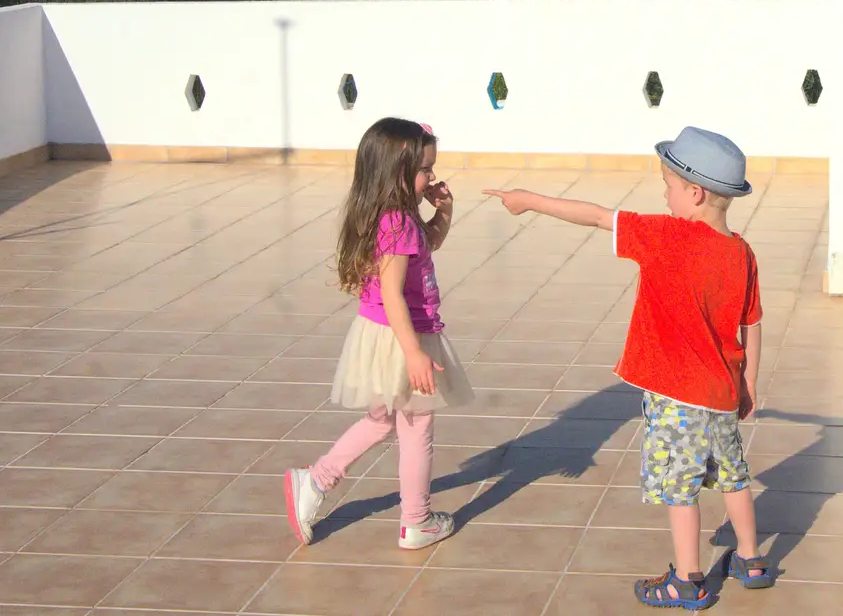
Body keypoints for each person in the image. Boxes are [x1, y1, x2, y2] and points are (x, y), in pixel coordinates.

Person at [485, 126, 771, 610]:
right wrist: (748, 383)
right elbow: (753, 323)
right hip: (722, 393)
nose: (665, 194)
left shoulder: (663, 237)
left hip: (676, 399)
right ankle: (751, 559)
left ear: (695, 193)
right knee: (733, 475)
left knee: (680, 490)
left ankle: (687, 579)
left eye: (670, 186)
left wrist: (529, 199)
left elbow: (596, 216)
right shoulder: (742, 252)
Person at [284, 117, 474, 549]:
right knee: (417, 424)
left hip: (386, 334)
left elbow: (431, 242)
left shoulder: (395, 216)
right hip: (402, 335)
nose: (432, 177)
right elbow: (393, 294)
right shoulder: (398, 223)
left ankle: (315, 481)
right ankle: (416, 520)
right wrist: (414, 352)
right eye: (425, 170)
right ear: (398, 173)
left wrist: (442, 209)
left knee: (383, 419)